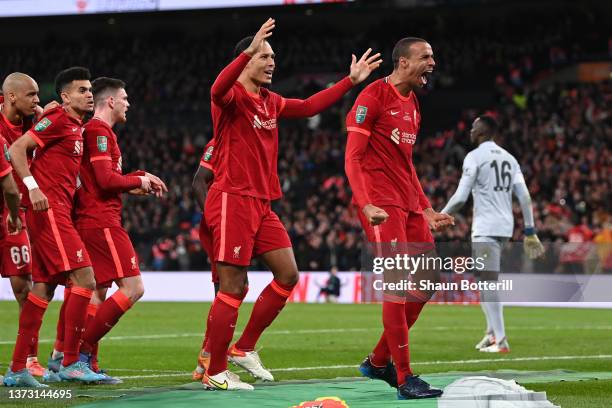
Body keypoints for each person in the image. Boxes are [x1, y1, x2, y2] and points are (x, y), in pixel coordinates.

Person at [202, 18, 382, 391]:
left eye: (273, 57)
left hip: (263, 204)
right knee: (233, 286)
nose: (271, 63)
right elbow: (217, 87)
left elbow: (310, 106)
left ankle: (244, 347)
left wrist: (349, 81)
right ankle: (214, 370)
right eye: (264, 56)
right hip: (233, 198)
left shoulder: (271, 102)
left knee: (288, 274)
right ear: (246, 59)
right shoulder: (232, 98)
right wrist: (249, 49)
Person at [345, 37, 454, 400]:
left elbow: (406, 165)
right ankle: (405, 377)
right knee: (395, 285)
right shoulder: (372, 97)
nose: (433, 62)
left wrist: (426, 208)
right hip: (381, 207)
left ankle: (378, 362)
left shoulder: (413, 106)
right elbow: (353, 158)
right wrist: (365, 203)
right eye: (427, 56)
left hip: (409, 207)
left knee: (425, 284)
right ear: (403, 62)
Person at [6, 67, 105, 386]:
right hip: (48, 210)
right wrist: (32, 186)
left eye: (90, 90)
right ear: (64, 97)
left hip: (55, 210)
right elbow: (17, 149)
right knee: (85, 279)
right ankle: (72, 361)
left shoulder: (74, 126)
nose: (89, 94)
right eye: (81, 90)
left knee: (43, 289)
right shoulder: (60, 120)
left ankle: (18, 368)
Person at [69, 77, 166, 383]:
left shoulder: (100, 132)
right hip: (101, 221)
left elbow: (108, 177)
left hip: (93, 220)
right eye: (124, 98)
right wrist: (139, 181)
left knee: (98, 294)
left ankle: (86, 363)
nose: (128, 103)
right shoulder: (98, 131)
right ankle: (79, 355)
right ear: (110, 101)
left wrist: (139, 176)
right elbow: (105, 180)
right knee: (134, 287)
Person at [441, 114, 544, 353]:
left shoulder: (475, 157)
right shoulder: (510, 159)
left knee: (488, 282)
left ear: (482, 132)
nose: (470, 131)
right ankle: (490, 334)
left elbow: (460, 197)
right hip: (505, 227)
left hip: (486, 228)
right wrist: (529, 230)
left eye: (474, 127)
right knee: (483, 280)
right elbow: (525, 197)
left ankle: (501, 339)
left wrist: (439, 216)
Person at [0, 73, 46, 377]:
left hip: (15, 213)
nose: (36, 100)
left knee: (24, 287)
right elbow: (10, 187)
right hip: (11, 212)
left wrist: (43, 117)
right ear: (11, 97)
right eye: (31, 95)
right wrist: (15, 214)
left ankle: (29, 359)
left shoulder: (32, 126)